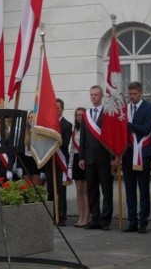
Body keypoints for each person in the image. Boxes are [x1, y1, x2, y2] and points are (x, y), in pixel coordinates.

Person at [121, 81, 151, 233]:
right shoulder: (125, 109)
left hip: (143, 153)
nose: (132, 97)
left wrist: (129, 126)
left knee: (143, 188)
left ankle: (143, 221)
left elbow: (146, 129)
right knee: (129, 189)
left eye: (135, 94)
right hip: (128, 154)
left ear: (141, 93)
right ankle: (132, 220)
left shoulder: (149, 108)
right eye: (130, 94)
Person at [80, 85, 114, 231]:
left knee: (107, 190)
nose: (93, 97)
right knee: (92, 190)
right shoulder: (86, 115)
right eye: (91, 95)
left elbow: (112, 137)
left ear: (101, 96)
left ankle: (105, 220)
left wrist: (114, 156)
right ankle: (95, 218)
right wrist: (81, 157)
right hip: (89, 158)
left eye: (96, 95)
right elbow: (83, 138)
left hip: (105, 158)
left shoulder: (108, 113)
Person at [46, 98, 73, 226]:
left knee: (61, 190)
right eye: (54, 108)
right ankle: (51, 215)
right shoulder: (48, 124)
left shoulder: (67, 125)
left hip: (61, 160)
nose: (56, 110)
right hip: (50, 161)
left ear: (62, 109)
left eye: (58, 108)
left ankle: (61, 216)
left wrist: (56, 137)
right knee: (50, 190)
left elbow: (66, 143)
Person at [69, 107, 90, 227]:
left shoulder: (88, 129)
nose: (79, 117)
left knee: (86, 191)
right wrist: (70, 166)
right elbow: (72, 150)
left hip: (85, 160)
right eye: (77, 115)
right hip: (76, 159)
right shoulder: (75, 131)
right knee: (79, 191)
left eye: (81, 115)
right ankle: (80, 216)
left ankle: (87, 217)